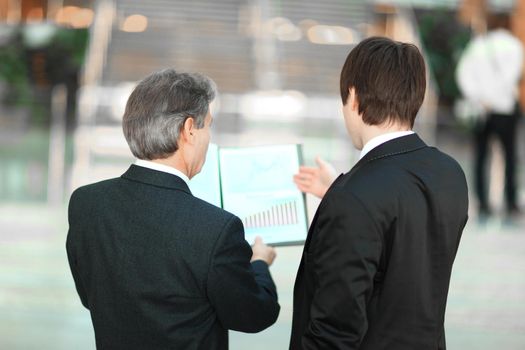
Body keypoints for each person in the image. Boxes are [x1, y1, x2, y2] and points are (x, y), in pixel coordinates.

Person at [66, 69, 280, 350]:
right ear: (189, 129)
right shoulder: (216, 228)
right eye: (209, 126)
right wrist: (259, 263)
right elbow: (254, 316)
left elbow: (90, 296)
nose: (209, 139)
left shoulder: (87, 203)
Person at [290, 37, 469, 350]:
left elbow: (335, 331)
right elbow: (402, 229)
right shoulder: (449, 172)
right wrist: (338, 191)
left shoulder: (354, 197)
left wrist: (342, 196)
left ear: (354, 98)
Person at [456, 14, 523, 219]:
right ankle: (510, 202)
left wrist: (479, 97)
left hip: (481, 109)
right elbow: (513, 76)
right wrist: (495, 96)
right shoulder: (514, 45)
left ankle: (483, 202)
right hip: (504, 108)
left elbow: (462, 73)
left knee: (480, 157)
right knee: (510, 157)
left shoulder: (478, 45)